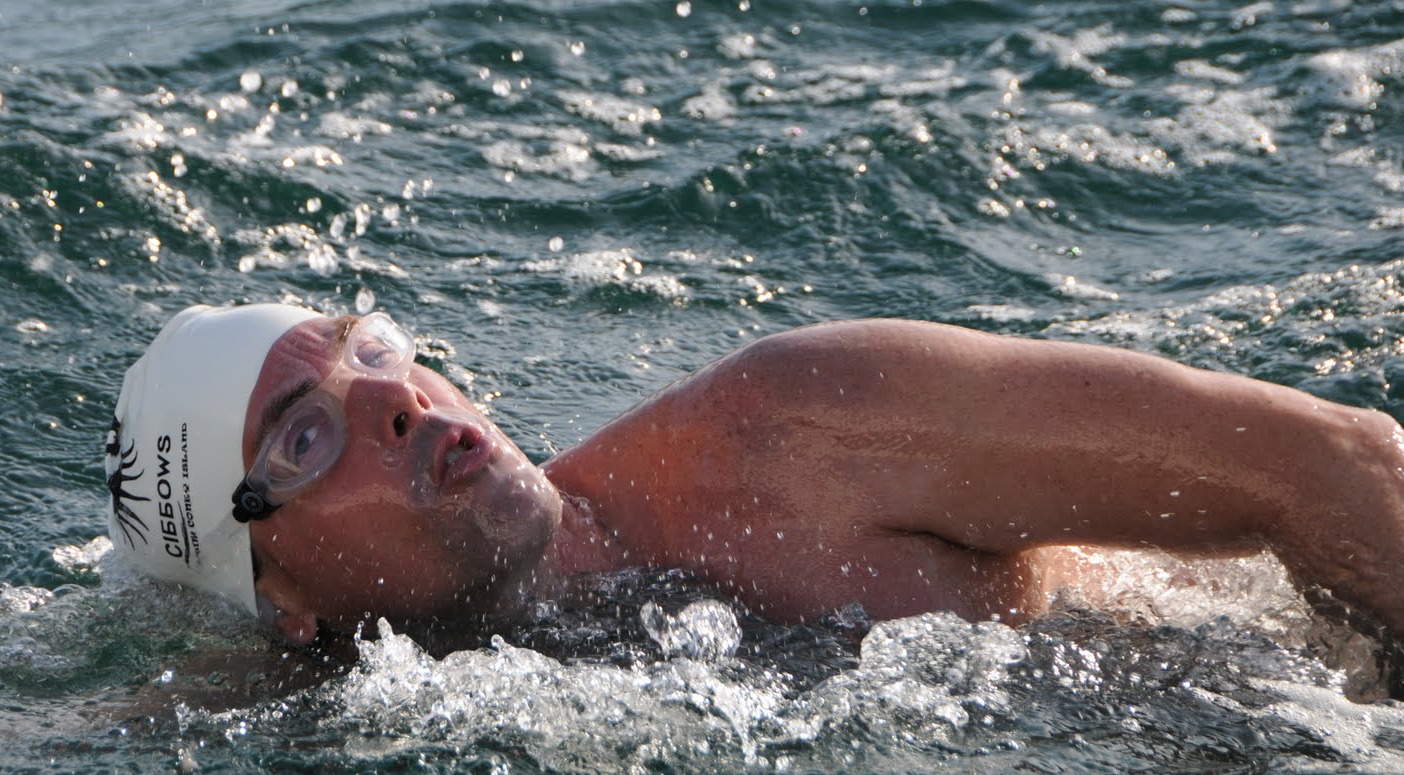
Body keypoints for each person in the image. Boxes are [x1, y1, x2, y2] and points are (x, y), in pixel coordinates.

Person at [104, 303, 1404, 653]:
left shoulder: (791, 432)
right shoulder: (304, 704)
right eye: (305, 439)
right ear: (283, 602)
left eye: (373, 349)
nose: (398, 399)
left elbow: (1332, 464)